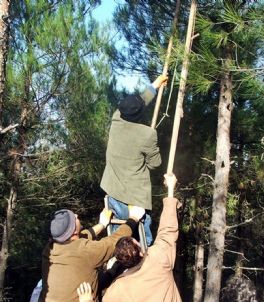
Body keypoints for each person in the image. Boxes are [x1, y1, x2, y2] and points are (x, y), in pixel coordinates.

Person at [100, 74, 168, 246]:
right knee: (143, 243)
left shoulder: (117, 118)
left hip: (112, 191)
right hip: (134, 199)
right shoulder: (148, 134)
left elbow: (139, 102)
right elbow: (155, 163)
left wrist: (156, 84)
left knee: (118, 243)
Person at [39, 205, 145, 302]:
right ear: (74, 232)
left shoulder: (49, 248)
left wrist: (102, 224)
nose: (76, 215)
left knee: (109, 272)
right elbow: (114, 242)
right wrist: (134, 218)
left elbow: (78, 237)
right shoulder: (85, 251)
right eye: (74, 218)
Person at [102, 173, 182, 302]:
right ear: (140, 250)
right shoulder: (158, 260)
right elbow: (168, 230)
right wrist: (170, 189)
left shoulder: (117, 291)